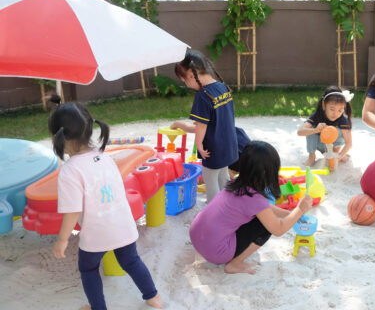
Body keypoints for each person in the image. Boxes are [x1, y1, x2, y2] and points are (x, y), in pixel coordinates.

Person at [49, 102, 161, 310]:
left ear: (59, 138)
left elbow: (72, 210)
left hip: (96, 233)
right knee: (131, 261)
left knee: (88, 269)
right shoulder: (104, 156)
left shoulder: (70, 170)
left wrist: (62, 240)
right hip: (123, 225)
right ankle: (153, 297)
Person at [189, 140, 313, 274]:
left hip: (197, 237)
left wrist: (289, 214)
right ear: (267, 172)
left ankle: (233, 257)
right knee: (265, 226)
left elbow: (265, 207)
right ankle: (235, 264)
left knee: (262, 217)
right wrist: (300, 210)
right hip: (216, 252)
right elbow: (279, 229)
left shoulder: (237, 182)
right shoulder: (255, 199)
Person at [172, 50, 238, 202]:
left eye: (184, 81)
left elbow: (201, 126)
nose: (187, 85)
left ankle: (214, 208)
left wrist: (199, 144)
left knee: (210, 179)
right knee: (223, 176)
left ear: (191, 75)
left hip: (213, 148)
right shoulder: (222, 87)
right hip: (228, 144)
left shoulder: (203, 96)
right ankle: (229, 203)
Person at [296, 86, 353, 170]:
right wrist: (315, 130)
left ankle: (336, 154)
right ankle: (311, 157)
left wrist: (338, 157)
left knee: (338, 131)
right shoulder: (317, 115)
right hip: (320, 144)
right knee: (312, 127)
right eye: (332, 109)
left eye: (340, 110)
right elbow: (300, 132)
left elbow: (349, 143)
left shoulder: (343, 120)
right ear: (324, 105)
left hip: (334, 146)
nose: (335, 114)